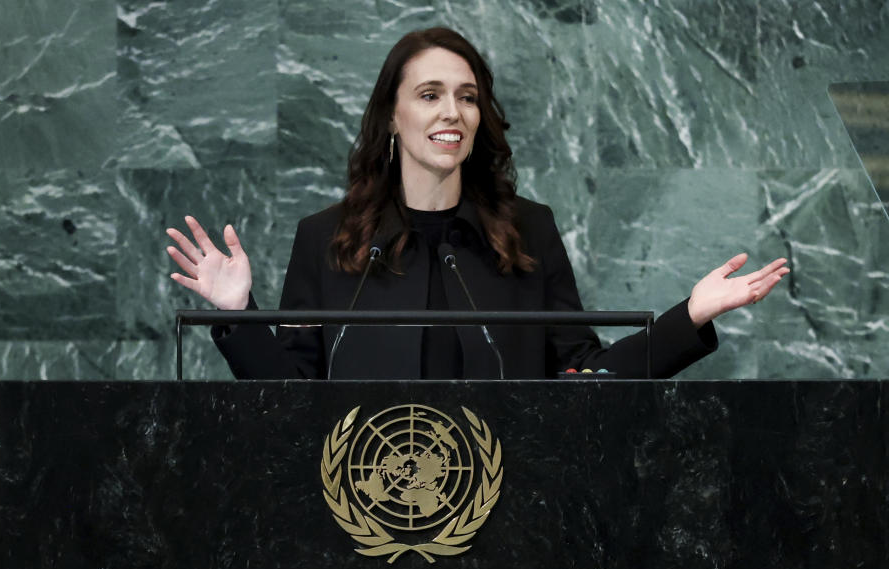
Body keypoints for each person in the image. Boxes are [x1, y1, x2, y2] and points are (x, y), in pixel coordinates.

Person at [166, 27, 789, 380]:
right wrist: (238, 313)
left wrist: (689, 317)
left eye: (466, 97)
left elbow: (583, 380)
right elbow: (293, 397)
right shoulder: (325, 239)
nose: (451, 112)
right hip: (364, 521)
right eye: (430, 94)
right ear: (392, 116)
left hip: (508, 519)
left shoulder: (529, 231)